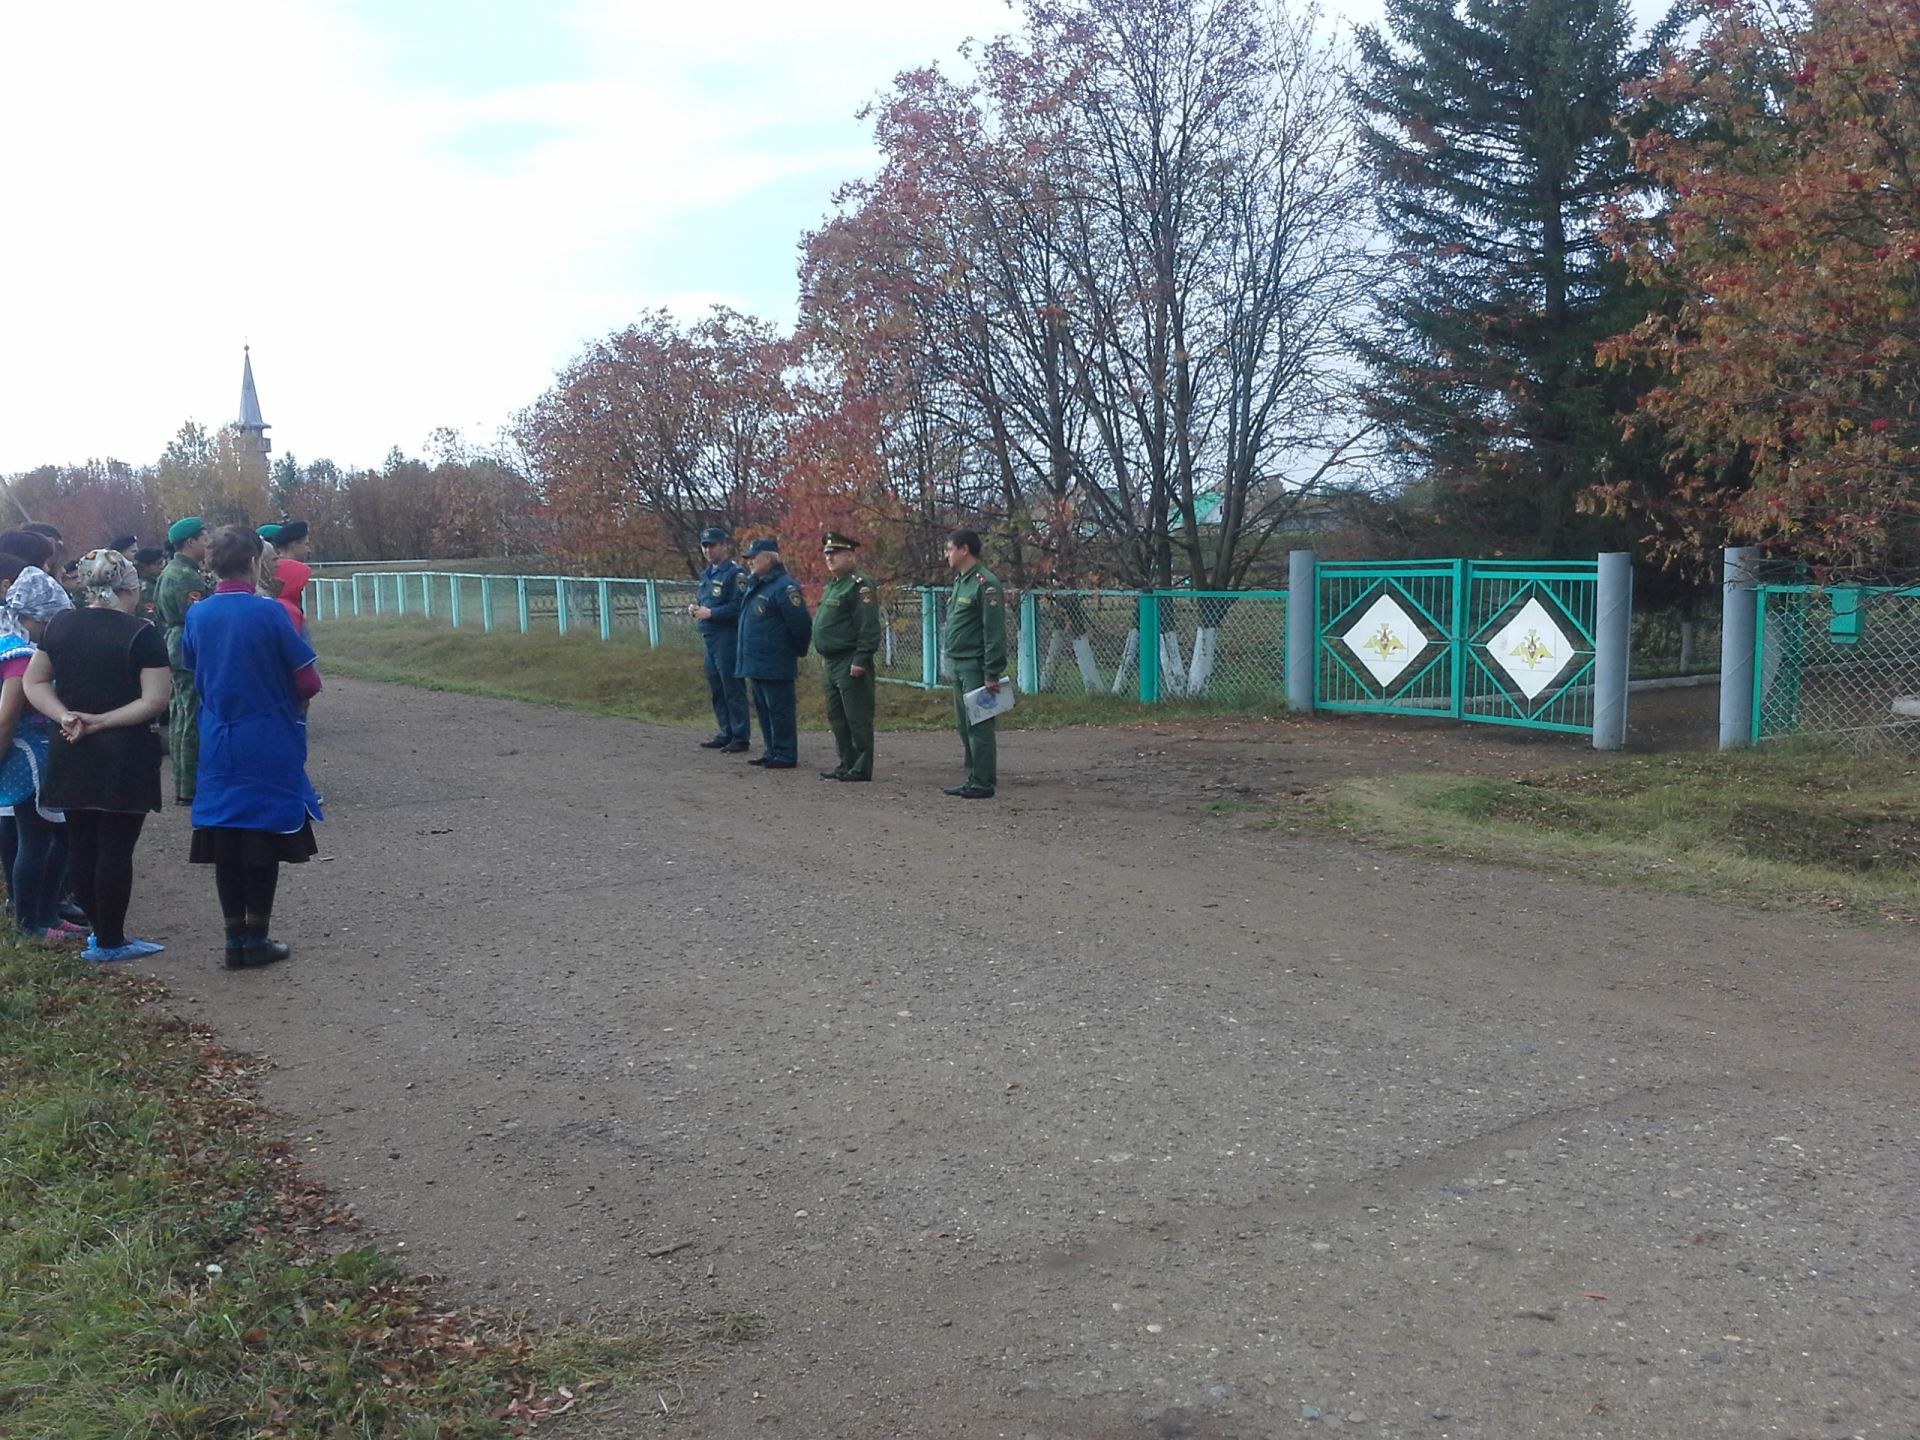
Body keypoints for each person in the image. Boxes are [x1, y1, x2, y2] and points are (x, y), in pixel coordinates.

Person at [182, 526, 324, 970]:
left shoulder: (198, 615)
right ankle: (258, 938)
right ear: (251, 564)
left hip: (218, 736)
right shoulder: (270, 613)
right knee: (263, 835)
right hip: (267, 736)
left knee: (227, 836)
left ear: (211, 565)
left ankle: (234, 940)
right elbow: (308, 679)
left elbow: (193, 668)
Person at [22, 550, 170, 963]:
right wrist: (104, 721)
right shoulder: (142, 633)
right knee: (116, 849)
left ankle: (97, 932)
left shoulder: (60, 625)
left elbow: (35, 682)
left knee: (82, 844)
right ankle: (110, 939)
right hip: (124, 755)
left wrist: (64, 715)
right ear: (129, 586)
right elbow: (155, 700)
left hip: (71, 748)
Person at [0, 561, 79, 941]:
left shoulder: (18, 647)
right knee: (36, 839)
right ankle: (30, 923)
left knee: (53, 837)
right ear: (31, 617)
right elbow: (6, 717)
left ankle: (46, 914)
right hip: (26, 758)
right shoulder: (19, 656)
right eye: (48, 621)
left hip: (38, 753)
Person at [733, 538, 811, 769]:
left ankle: (785, 753)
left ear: (768, 558)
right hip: (756, 661)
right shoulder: (756, 584)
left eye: (753, 558)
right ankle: (772, 750)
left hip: (775, 660)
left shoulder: (784, 587)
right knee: (764, 710)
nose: (748, 563)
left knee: (780, 710)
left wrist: (794, 651)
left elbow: (801, 624)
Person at [941, 528, 1007, 799]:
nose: (947, 554)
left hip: (976, 665)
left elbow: (993, 631)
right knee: (964, 723)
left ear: (964, 549)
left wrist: (992, 671)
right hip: (959, 663)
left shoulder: (984, 583)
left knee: (979, 724)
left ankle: (983, 781)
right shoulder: (962, 581)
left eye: (949, 549)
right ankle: (973, 775)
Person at [812, 531, 882, 782]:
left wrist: (861, 658)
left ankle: (861, 766)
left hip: (849, 658)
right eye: (827, 554)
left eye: (835, 553)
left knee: (857, 716)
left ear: (850, 556)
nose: (829, 558)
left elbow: (868, 626)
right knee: (837, 716)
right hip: (831, 661)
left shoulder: (859, 584)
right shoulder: (833, 585)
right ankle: (846, 762)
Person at [155, 517, 211, 804]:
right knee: (191, 714)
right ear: (190, 542)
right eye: (203, 538)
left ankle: (182, 782)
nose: (207, 543)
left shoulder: (170, 571)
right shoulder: (187, 576)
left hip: (173, 642)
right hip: (187, 644)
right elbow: (198, 616)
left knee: (179, 713)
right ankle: (190, 786)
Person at [688, 526, 750, 752]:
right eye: (705, 546)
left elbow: (739, 606)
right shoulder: (706, 574)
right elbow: (707, 600)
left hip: (727, 636)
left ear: (725, 545)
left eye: (712, 545)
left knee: (732, 687)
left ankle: (740, 735)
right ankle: (726, 731)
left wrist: (712, 613)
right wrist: (696, 609)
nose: (708, 550)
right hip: (709, 637)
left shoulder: (736, 574)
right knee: (716, 686)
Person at [270, 521, 314, 636]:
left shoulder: (268, 568)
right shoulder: (300, 571)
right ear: (294, 545)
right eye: (306, 544)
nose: (308, 550)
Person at [134, 547, 167, 621]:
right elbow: (151, 616)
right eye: (159, 563)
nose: (162, 566)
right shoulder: (146, 589)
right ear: (145, 566)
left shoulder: (154, 583)